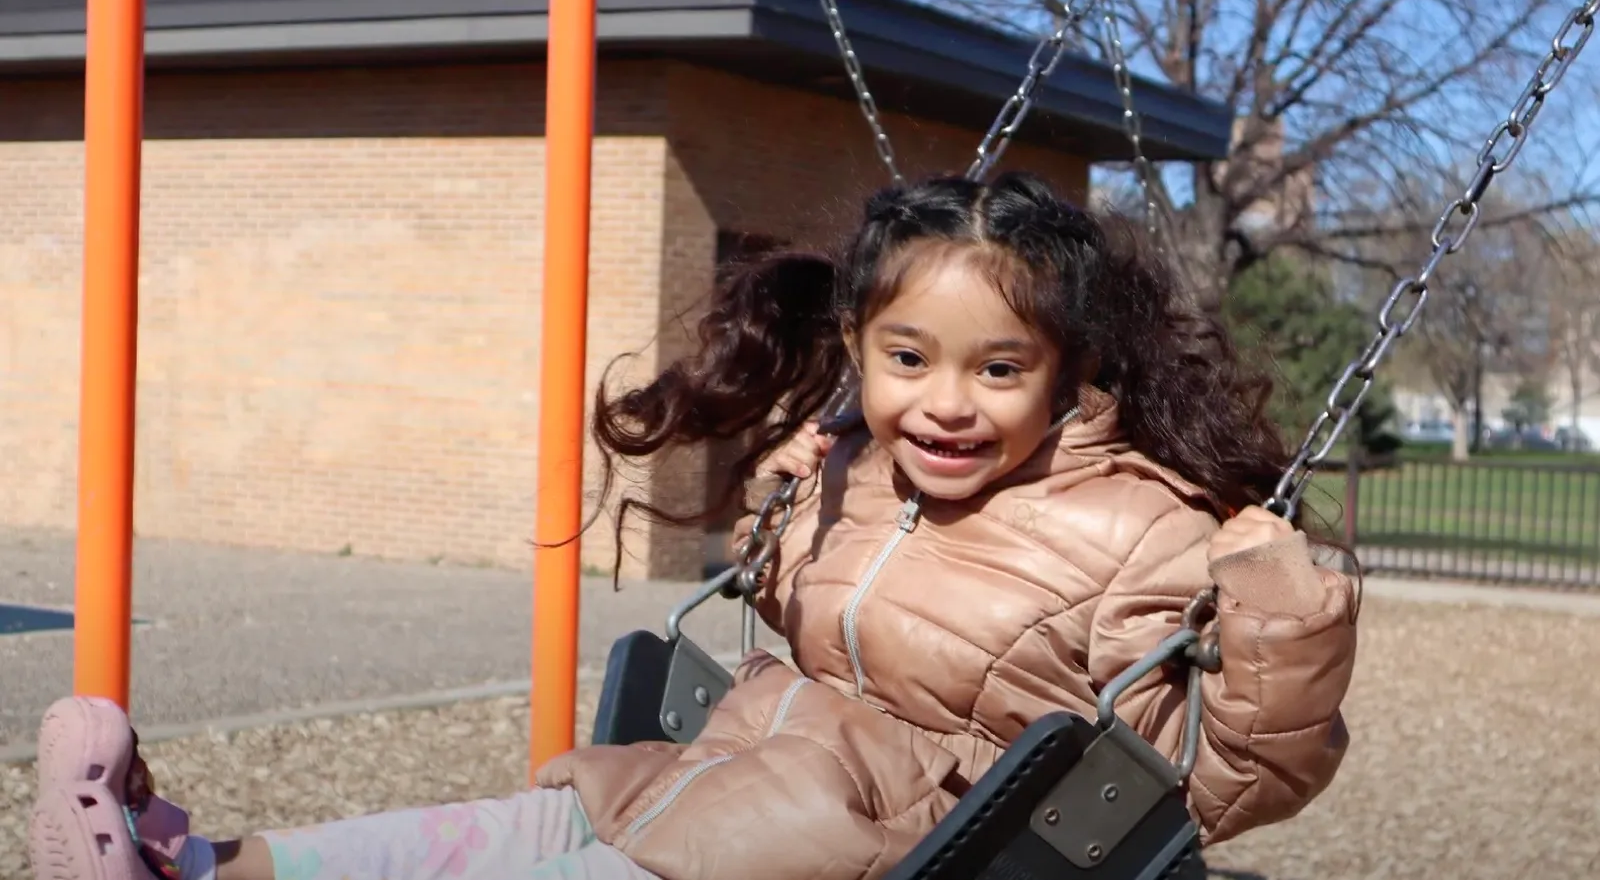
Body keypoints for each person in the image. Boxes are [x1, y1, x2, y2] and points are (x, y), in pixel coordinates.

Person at [29, 171, 1359, 880]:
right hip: (744, 775)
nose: (946, 406)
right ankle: (197, 865)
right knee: (502, 831)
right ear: (859, 348)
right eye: (908, 361)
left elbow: (1209, 794)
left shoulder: (1142, 526)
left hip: (877, 847)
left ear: (1068, 366)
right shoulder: (859, 461)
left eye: (999, 370)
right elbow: (818, 616)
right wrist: (786, 505)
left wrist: (1282, 622)